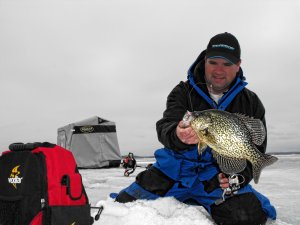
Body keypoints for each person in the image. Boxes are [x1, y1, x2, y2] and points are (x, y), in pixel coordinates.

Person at [112, 32, 276, 225]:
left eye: (227, 64)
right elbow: (166, 126)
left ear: (238, 64)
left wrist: (240, 176)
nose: (219, 70)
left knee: (249, 217)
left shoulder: (251, 102)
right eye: (214, 62)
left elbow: (256, 146)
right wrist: (177, 134)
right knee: (122, 209)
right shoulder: (182, 92)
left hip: (215, 176)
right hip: (173, 170)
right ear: (205, 60)